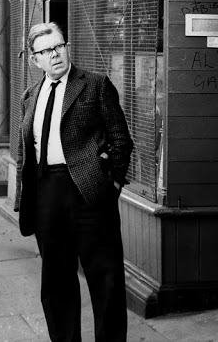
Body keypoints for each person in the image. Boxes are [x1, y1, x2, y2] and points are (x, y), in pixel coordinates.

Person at [15, 22, 134, 341]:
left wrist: (112, 186)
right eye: (46, 51)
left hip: (89, 193)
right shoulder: (30, 96)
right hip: (46, 194)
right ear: (35, 59)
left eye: (59, 46)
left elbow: (121, 139)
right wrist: (25, 198)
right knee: (56, 282)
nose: (55, 54)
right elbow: (26, 151)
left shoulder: (95, 84)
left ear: (66, 48)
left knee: (106, 280)